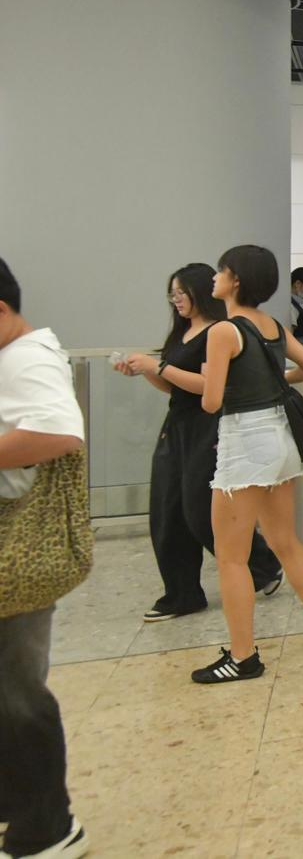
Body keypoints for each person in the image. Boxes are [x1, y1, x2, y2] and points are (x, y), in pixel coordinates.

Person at [194, 245, 303, 683]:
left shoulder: (223, 331)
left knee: (231, 558)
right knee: (286, 541)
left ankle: (243, 657)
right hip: (281, 439)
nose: (215, 278)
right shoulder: (273, 325)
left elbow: (212, 402)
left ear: (236, 279)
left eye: (220, 270)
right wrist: (276, 380)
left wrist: (205, 377)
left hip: (244, 443)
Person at [118, 264, 282, 621]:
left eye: (181, 293)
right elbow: (174, 387)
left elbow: (210, 389)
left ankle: (263, 565)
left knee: (200, 511)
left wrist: (158, 367)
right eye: (172, 294)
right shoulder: (183, 333)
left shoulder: (219, 332)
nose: (176, 300)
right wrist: (147, 370)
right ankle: (182, 593)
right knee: (167, 509)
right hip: (176, 426)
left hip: (208, 426)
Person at [0, 256, 92, 858]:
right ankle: (14, 803)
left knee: (18, 688)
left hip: (20, 544)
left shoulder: (27, 358)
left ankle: (49, 825)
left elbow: (59, 434)